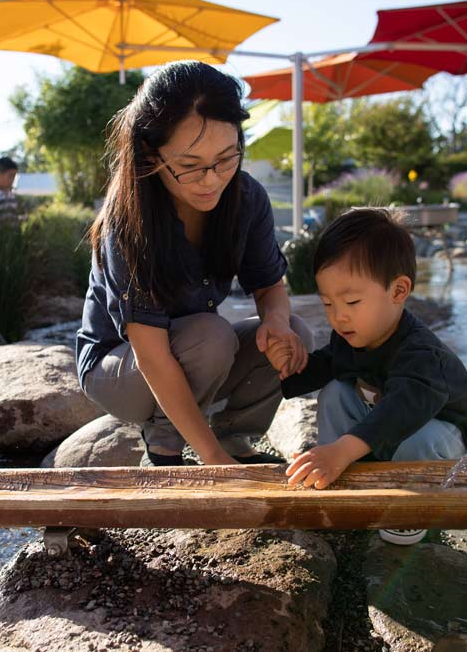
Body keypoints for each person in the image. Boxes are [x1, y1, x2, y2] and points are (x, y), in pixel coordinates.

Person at [76, 61, 313, 467]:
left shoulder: (248, 198)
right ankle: (165, 444)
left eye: (226, 158)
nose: (212, 179)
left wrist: (274, 321)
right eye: (190, 166)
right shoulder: (128, 218)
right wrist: (211, 459)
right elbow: (150, 353)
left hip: (195, 349)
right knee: (211, 335)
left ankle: (234, 436)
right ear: (149, 153)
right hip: (120, 367)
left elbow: (270, 286)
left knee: (295, 333)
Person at [265, 207, 467, 545]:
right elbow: (330, 364)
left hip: (444, 443)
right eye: (328, 304)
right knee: (336, 391)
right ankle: (342, 480)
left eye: (351, 301)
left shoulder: (422, 355)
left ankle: (408, 507)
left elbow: (401, 411)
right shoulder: (355, 333)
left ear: (398, 291)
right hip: (388, 431)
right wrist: (292, 367)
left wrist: (342, 448)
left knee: (418, 438)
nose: (339, 317)